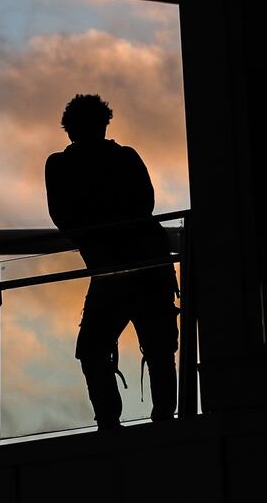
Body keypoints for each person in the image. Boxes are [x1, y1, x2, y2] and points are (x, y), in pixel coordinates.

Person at [44, 93, 178, 430]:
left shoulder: (62, 165)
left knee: (96, 350)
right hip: (147, 262)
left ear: (69, 129)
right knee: (157, 348)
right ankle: (160, 417)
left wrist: (95, 230)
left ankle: (111, 419)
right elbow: (144, 204)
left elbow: (65, 218)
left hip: (116, 268)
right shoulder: (124, 158)